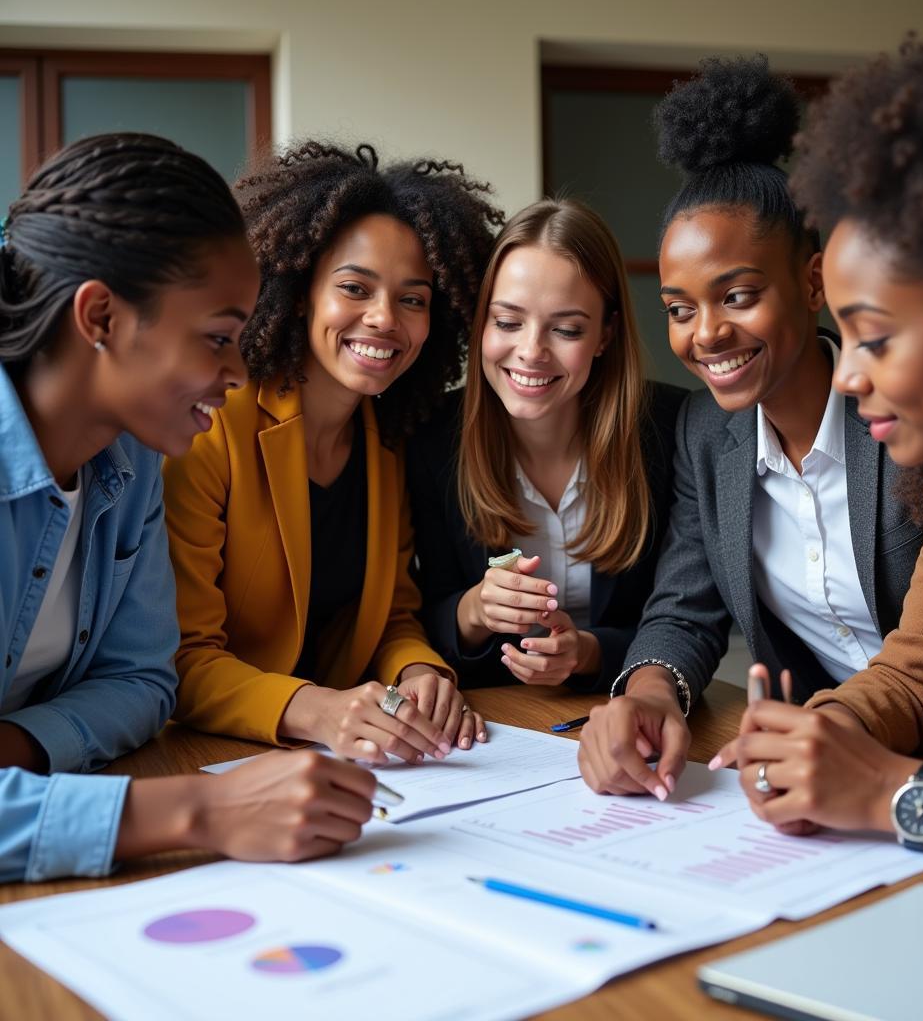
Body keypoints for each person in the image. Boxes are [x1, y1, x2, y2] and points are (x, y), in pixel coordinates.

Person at [0, 134, 378, 883]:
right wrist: (200, 812)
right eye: (216, 339)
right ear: (101, 316)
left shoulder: (132, 462)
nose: (237, 372)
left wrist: (17, 748)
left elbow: (142, 681)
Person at [713, 9, 923, 868]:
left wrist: (893, 794)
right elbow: (915, 672)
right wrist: (827, 735)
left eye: (874, 338)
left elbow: (904, 780)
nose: (846, 377)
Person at [577, 56, 923, 800]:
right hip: (825, 770)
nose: (706, 333)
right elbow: (683, 607)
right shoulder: (707, 434)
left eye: (736, 295)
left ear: (812, 280)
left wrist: (836, 728)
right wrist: (646, 692)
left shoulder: (910, 418)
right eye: (679, 308)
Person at [163, 142, 500, 761]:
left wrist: (419, 674)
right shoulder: (212, 426)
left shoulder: (389, 440)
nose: (384, 319)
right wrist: (317, 710)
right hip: (208, 755)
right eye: (355, 287)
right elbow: (179, 659)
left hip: (347, 757)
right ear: (298, 293)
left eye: (413, 299)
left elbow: (392, 616)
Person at [408, 199, 684, 692]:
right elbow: (415, 613)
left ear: (606, 334)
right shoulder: (431, 437)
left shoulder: (670, 429)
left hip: (622, 708)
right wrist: (475, 610)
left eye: (565, 329)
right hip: (493, 724)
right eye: (508, 322)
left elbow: (685, 619)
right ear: (482, 325)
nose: (532, 351)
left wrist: (589, 652)